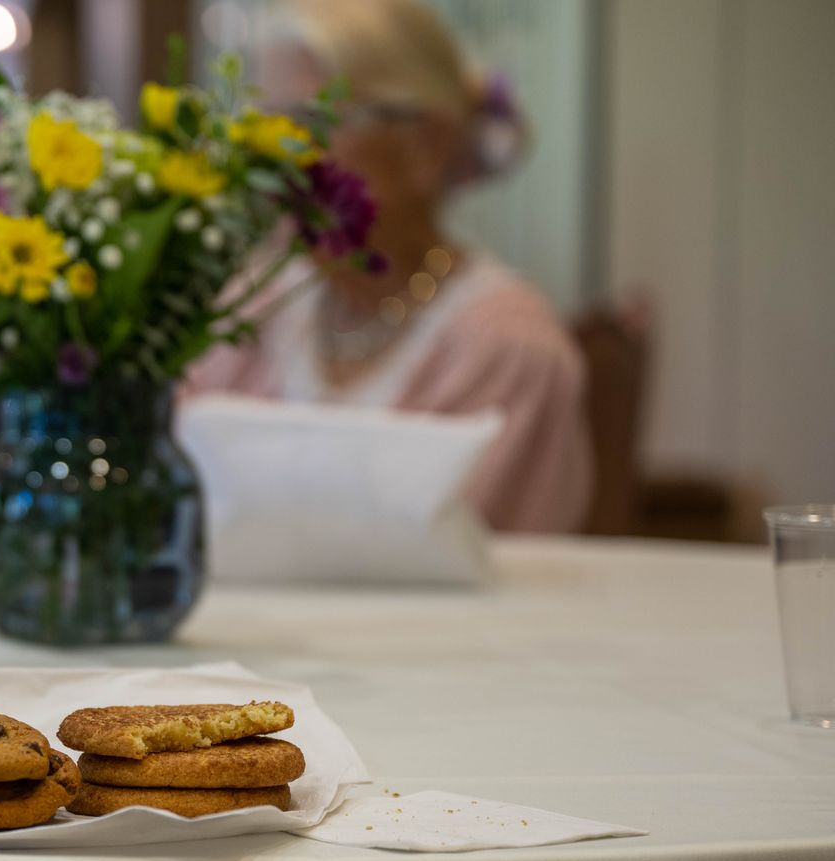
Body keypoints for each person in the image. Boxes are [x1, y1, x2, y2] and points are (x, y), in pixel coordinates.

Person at [184, 0, 593, 534]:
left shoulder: (508, 351)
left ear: (427, 144)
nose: (278, 159)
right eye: (265, 130)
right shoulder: (255, 310)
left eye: (312, 122)